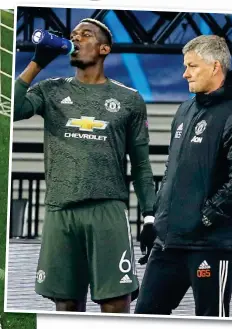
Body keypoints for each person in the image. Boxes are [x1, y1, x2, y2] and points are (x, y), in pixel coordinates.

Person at [14, 18, 156, 313]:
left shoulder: (129, 99)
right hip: (60, 210)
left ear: (104, 48)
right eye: (73, 35)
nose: (76, 38)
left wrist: (150, 217)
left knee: (116, 302)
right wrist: (36, 64)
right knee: (65, 303)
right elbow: (9, 110)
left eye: (85, 35)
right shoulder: (49, 90)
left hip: (107, 210)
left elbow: (141, 164)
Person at [135, 35, 232, 317]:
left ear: (215, 67)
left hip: (211, 244)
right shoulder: (185, 109)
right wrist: (156, 218)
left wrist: (205, 217)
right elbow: (172, 170)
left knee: (212, 319)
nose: (184, 73)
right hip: (168, 242)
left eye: (192, 66)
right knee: (145, 315)